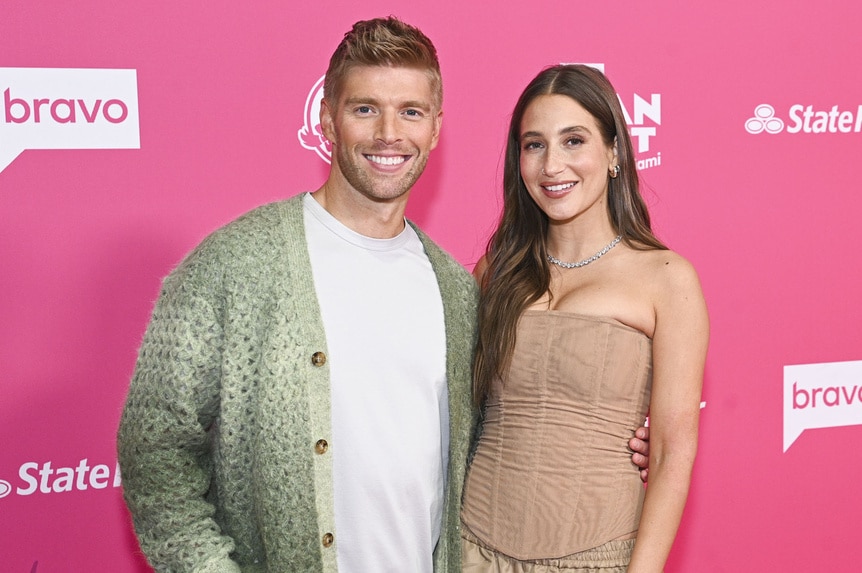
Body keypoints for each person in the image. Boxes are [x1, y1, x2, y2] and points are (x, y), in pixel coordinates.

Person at [117, 18, 650, 573]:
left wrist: (622, 435)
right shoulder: (234, 265)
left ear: (436, 129)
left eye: (411, 112)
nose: (389, 134)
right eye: (365, 108)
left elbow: (505, 422)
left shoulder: (457, 289)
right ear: (327, 118)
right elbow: (154, 446)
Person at [461, 65, 709, 572]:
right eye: (534, 145)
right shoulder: (497, 271)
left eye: (573, 140)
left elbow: (669, 456)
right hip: (472, 551)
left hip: (596, 557)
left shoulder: (666, 278)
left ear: (614, 151)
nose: (553, 165)